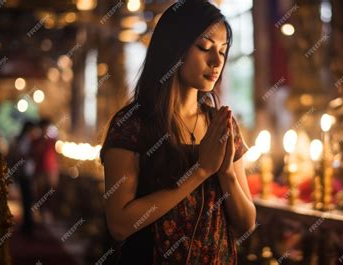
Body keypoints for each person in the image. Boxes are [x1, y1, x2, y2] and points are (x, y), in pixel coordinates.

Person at [100, 1, 256, 264]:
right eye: (204, 47)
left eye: (223, 50)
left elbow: (246, 224)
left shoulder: (221, 124)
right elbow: (119, 224)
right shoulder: (132, 125)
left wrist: (227, 173)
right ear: (174, 50)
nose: (217, 61)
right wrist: (201, 172)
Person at [7, 121, 38, 235]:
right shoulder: (26, 139)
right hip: (25, 173)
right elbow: (22, 155)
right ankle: (28, 224)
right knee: (27, 199)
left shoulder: (24, 139)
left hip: (25, 173)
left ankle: (28, 223)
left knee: (27, 199)